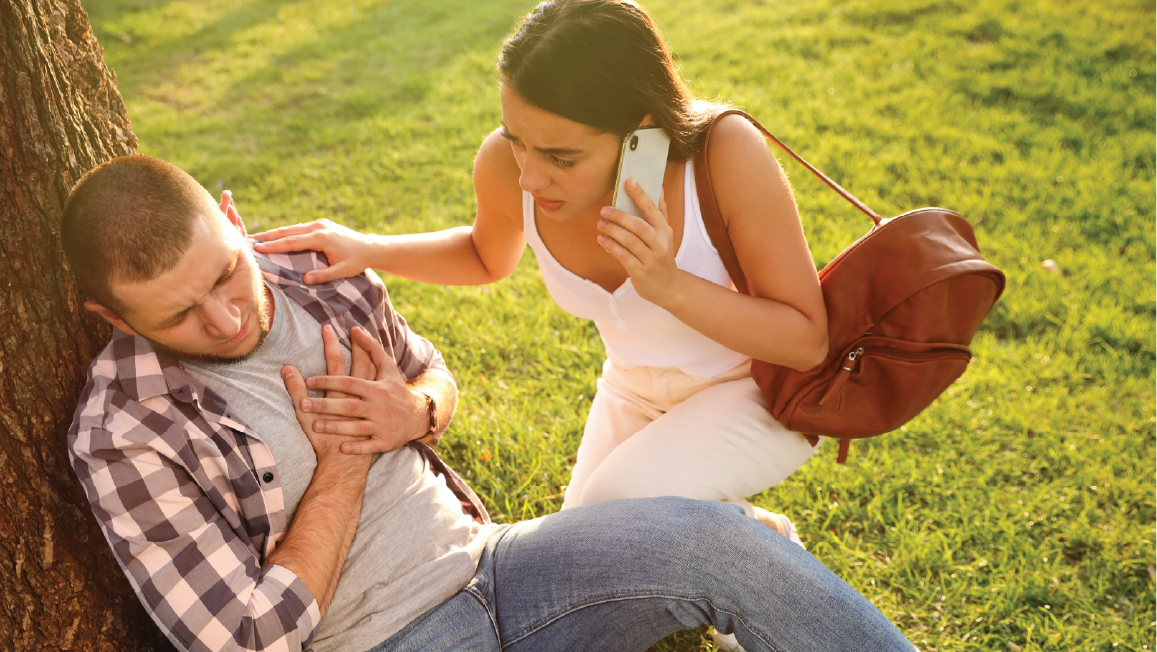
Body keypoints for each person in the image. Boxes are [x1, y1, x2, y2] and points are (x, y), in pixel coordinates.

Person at [63, 155, 914, 652]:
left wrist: (417, 411)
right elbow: (246, 640)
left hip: (502, 565)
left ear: (230, 217)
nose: (225, 317)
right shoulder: (124, 433)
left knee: (723, 544)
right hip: (387, 641)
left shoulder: (313, 272)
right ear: (112, 319)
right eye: (178, 315)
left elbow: (430, 370)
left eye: (225, 274)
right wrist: (345, 468)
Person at [253, 0, 829, 544]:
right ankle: (749, 531)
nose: (529, 177)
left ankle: (753, 545)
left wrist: (669, 285)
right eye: (517, 140)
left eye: (561, 157)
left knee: (619, 500)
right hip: (635, 388)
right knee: (580, 548)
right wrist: (368, 247)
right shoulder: (507, 167)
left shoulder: (724, 153)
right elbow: (485, 256)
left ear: (642, 129)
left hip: (756, 390)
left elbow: (806, 342)